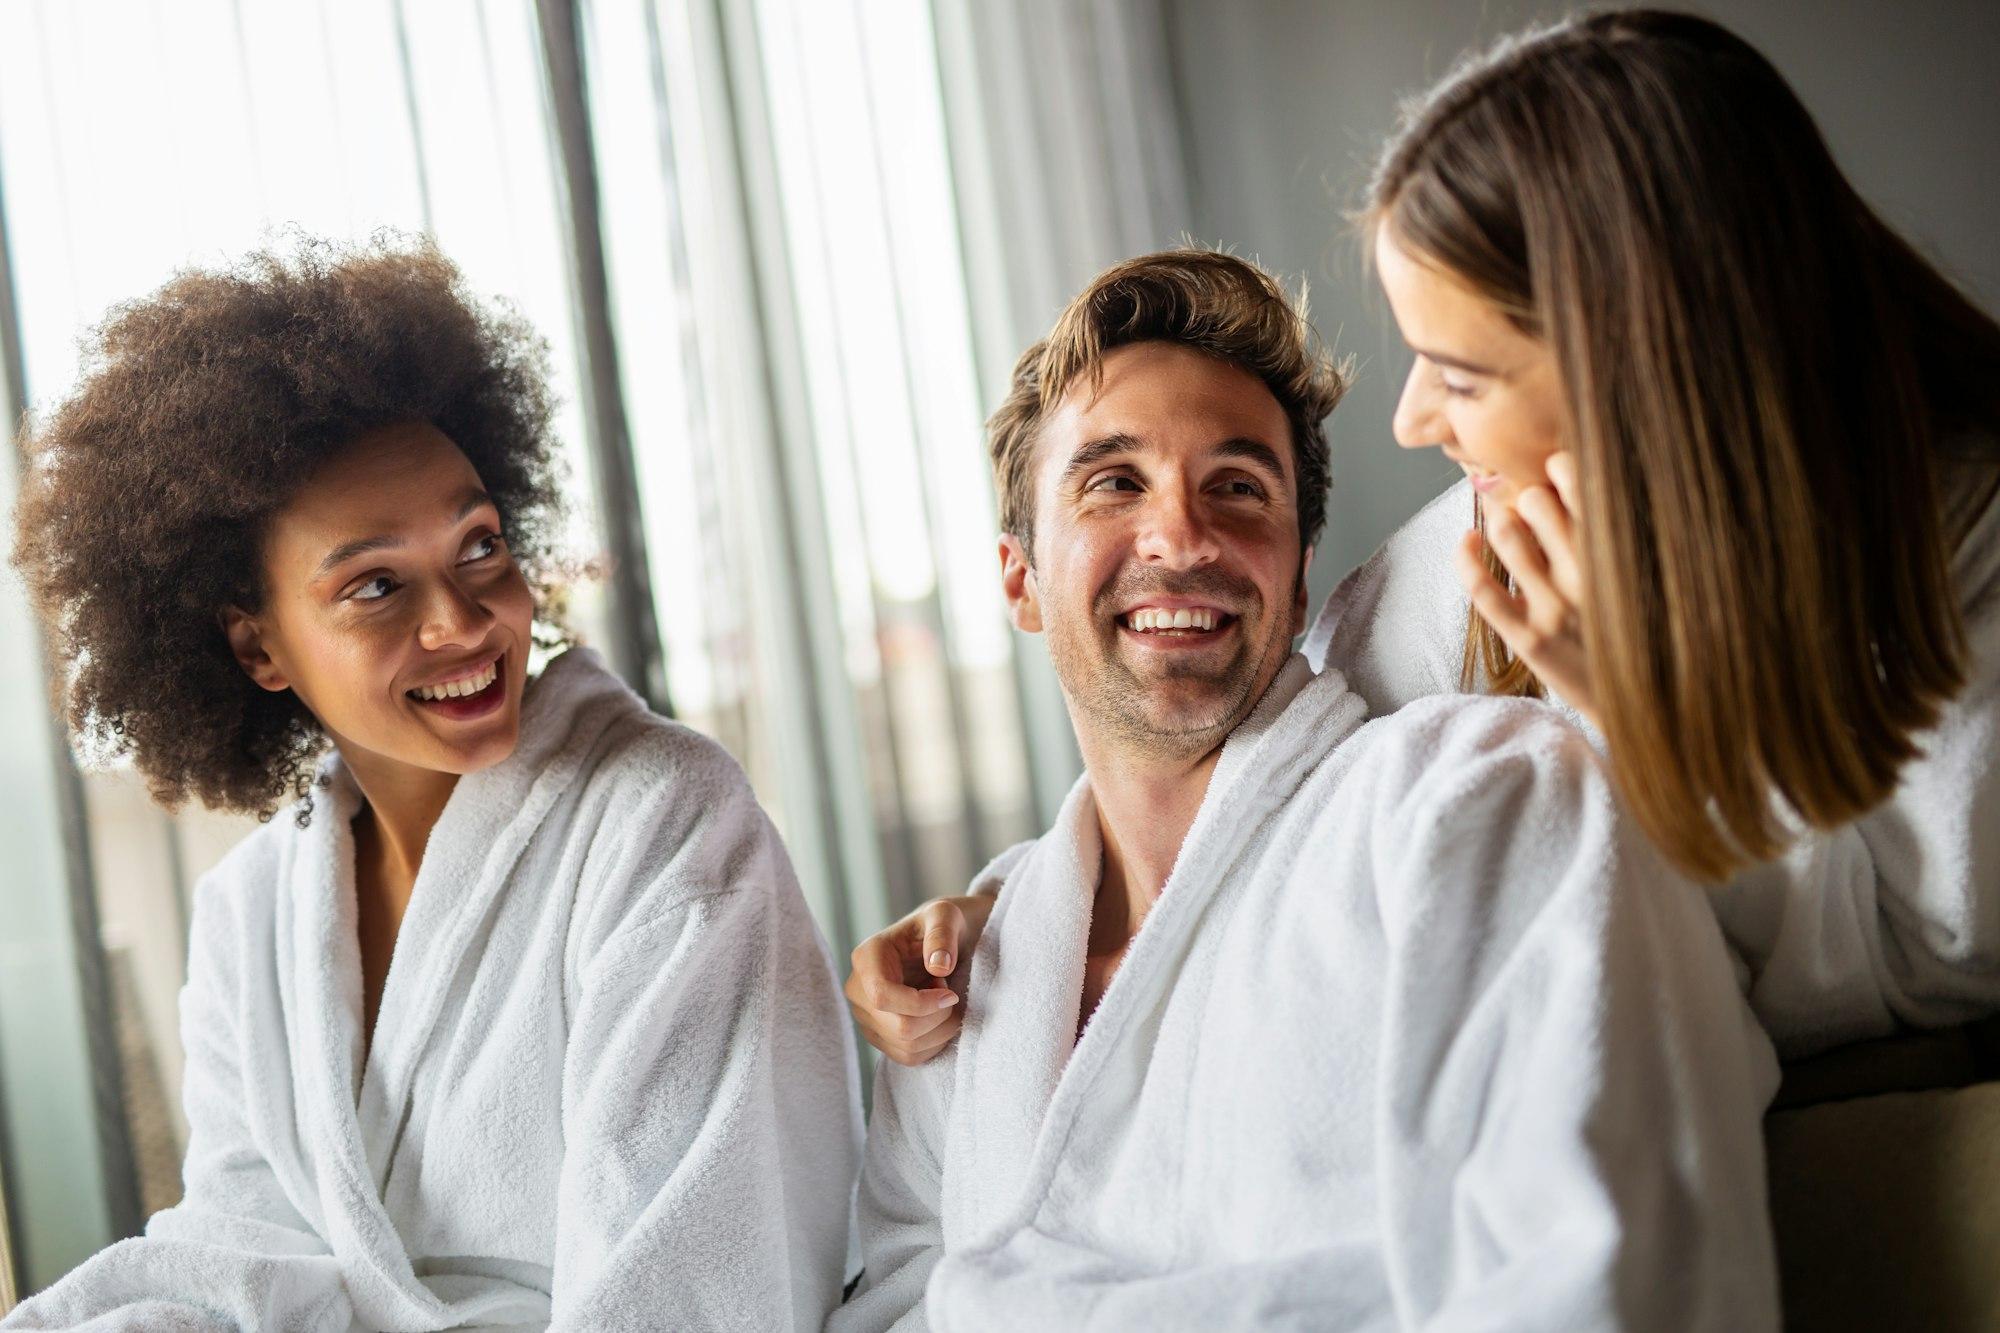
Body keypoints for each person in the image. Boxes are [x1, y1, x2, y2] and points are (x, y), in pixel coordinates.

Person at [849, 8, 2000, 1070]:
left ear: (1641, 371)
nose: (1408, 420)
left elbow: (1935, 966)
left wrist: (1629, 706)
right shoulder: (1468, 562)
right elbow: (1256, 802)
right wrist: (1024, 920)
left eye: (1458, 373)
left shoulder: (1968, 539)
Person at [831, 250, 1778, 1331]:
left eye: (1237, 487)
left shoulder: (1471, 802)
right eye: (1113, 482)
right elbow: (892, 1297)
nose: (1182, 537)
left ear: (1298, 569)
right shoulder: (959, 983)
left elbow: (1599, 1267)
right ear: (1019, 579)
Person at [4, 239, 860, 1332]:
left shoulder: (664, 820)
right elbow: (242, 1249)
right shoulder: (251, 914)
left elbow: (695, 1277)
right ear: (259, 645)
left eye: (479, 546)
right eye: (374, 585)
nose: (463, 620)